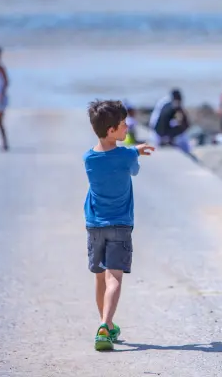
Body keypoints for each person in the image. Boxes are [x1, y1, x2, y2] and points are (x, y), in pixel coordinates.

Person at [83, 100, 154, 351]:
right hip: (121, 225)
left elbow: (116, 154)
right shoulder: (126, 154)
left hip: (95, 225)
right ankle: (105, 324)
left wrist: (133, 149)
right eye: (123, 125)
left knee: (100, 277)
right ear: (112, 130)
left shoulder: (88, 158)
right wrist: (136, 151)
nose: (127, 128)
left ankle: (106, 326)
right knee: (115, 277)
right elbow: (133, 168)